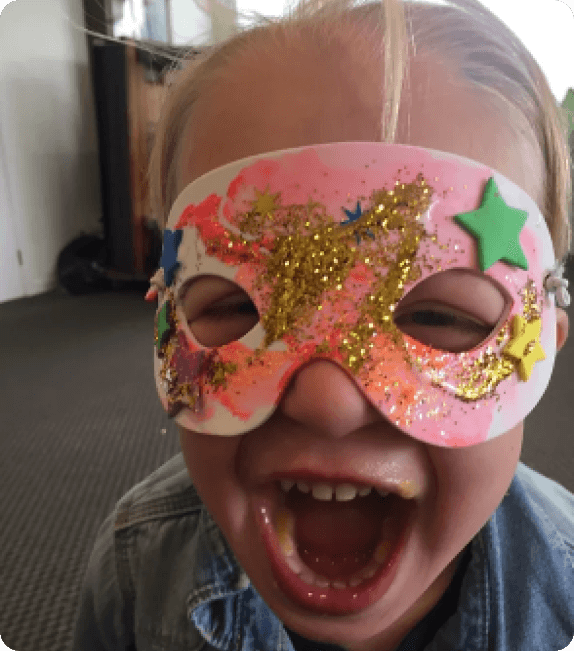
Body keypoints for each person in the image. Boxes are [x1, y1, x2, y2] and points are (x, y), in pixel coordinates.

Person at [72, 0, 574, 649]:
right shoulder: (136, 570)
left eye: (436, 316)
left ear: (543, 346)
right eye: (238, 307)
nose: (328, 401)